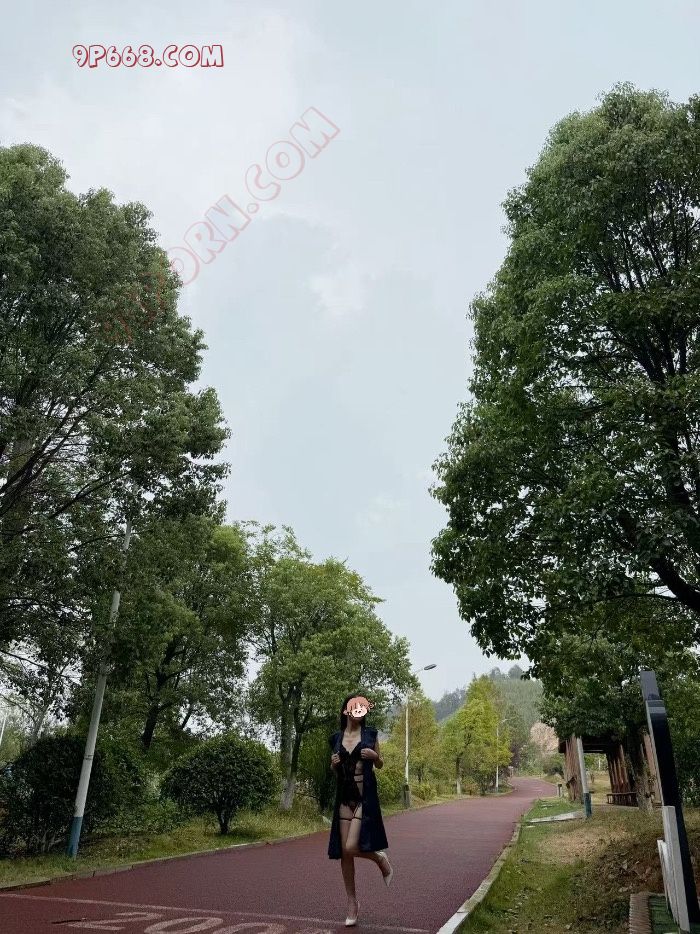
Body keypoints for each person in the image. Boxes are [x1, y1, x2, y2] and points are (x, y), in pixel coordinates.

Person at [328, 693, 393, 926]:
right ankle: (352, 903)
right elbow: (335, 771)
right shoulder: (336, 738)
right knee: (345, 854)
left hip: (364, 797)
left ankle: (379, 858)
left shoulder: (370, 735)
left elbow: (380, 764)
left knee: (351, 846)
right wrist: (333, 765)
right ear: (346, 710)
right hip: (345, 798)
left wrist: (375, 757)